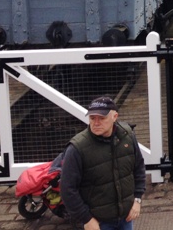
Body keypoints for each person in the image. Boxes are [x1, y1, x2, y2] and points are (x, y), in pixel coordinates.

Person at [61, 96, 146, 230]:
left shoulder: (127, 135)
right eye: (92, 118)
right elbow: (67, 189)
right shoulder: (77, 148)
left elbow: (139, 167)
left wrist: (137, 199)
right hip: (98, 222)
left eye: (102, 118)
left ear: (115, 116)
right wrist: (86, 219)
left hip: (126, 217)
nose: (96, 123)